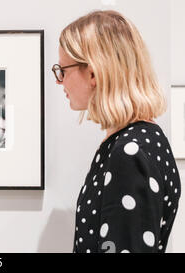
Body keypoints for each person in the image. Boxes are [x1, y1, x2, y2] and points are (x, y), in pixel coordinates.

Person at [53, 10, 181, 253]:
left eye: (63, 70)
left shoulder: (130, 152)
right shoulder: (144, 140)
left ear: (92, 73)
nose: (59, 81)